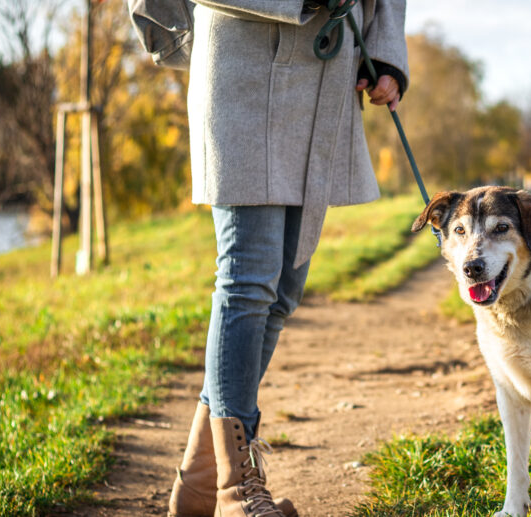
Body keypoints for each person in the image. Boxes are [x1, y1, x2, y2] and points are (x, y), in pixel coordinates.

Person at [164, 1, 408, 516]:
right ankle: (235, 490)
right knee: (248, 280)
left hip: (325, 72)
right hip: (241, 62)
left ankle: (199, 489)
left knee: (281, 293)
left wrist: (383, 54)